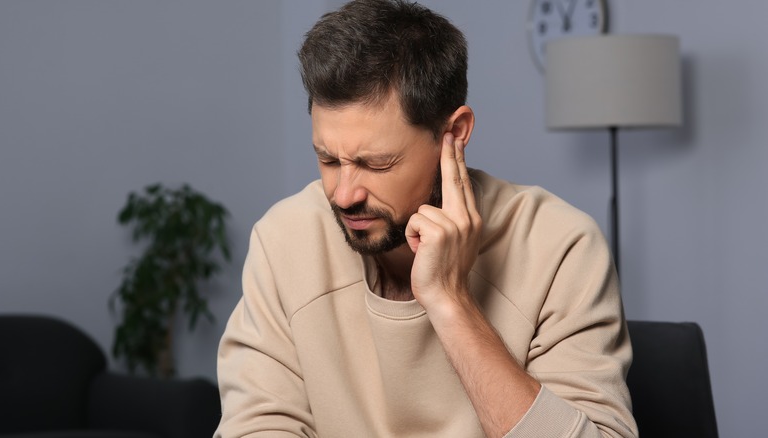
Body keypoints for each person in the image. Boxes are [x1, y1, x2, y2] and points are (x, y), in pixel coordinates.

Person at [214, 1, 637, 437]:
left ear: (453, 133)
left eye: (376, 163)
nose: (344, 195)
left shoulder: (561, 247)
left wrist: (451, 302)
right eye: (327, 159)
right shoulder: (285, 238)